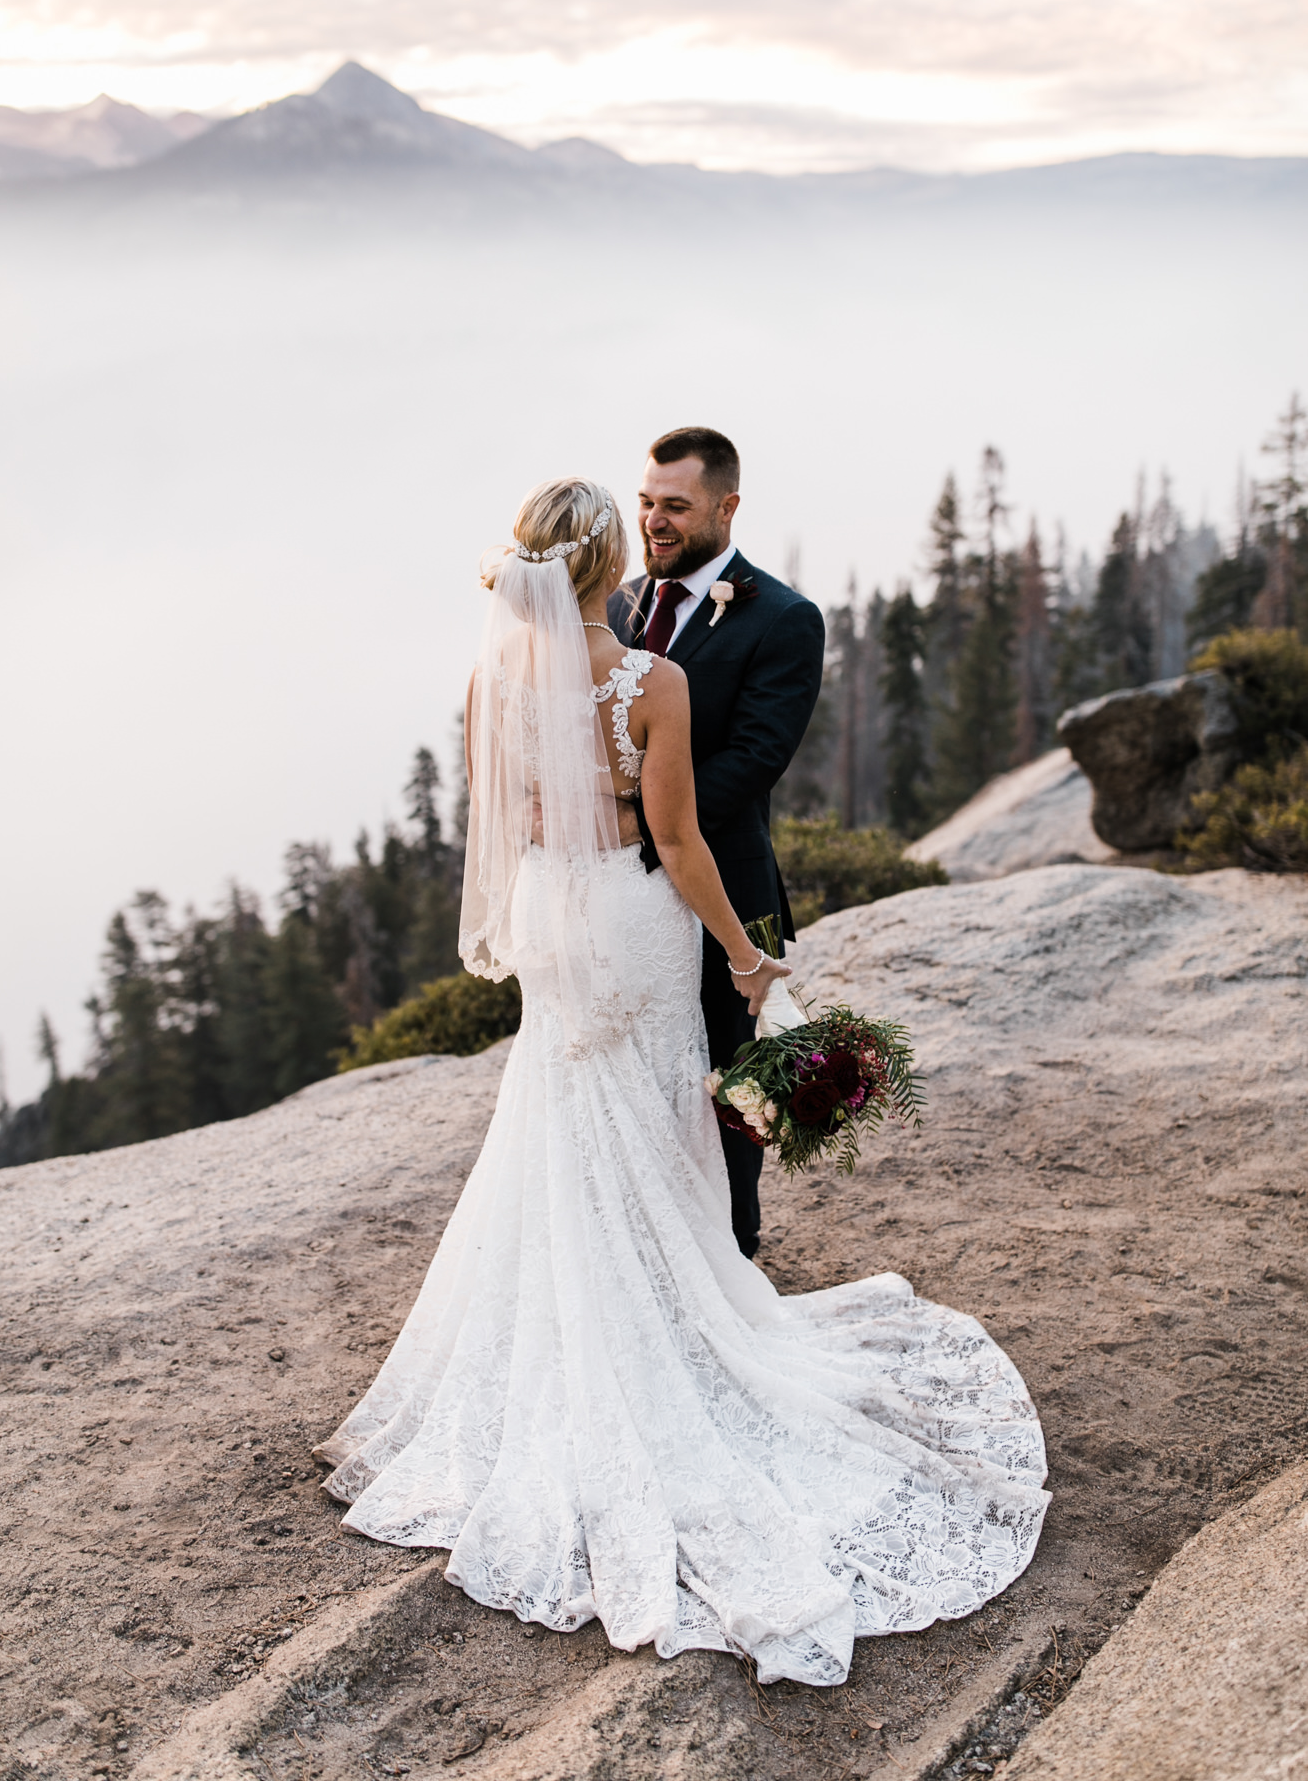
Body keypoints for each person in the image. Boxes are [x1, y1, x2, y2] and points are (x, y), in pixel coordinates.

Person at [314, 473, 1048, 1689]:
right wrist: (749, 955)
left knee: (556, 1113)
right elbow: (681, 840)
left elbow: (504, 815)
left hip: (549, 911)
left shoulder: (489, 677)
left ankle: (568, 1326)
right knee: (656, 1119)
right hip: (635, 921)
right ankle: (674, 1319)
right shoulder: (652, 684)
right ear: (608, 567)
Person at [607, 426, 824, 1258]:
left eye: (675, 508)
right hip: (622, 896)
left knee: (730, 1079)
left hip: (726, 883)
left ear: (726, 508)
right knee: (642, 1069)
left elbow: (755, 759)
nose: (654, 523)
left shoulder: (783, 618)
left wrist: (642, 827)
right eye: (646, 504)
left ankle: (732, 1250)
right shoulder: (618, 604)